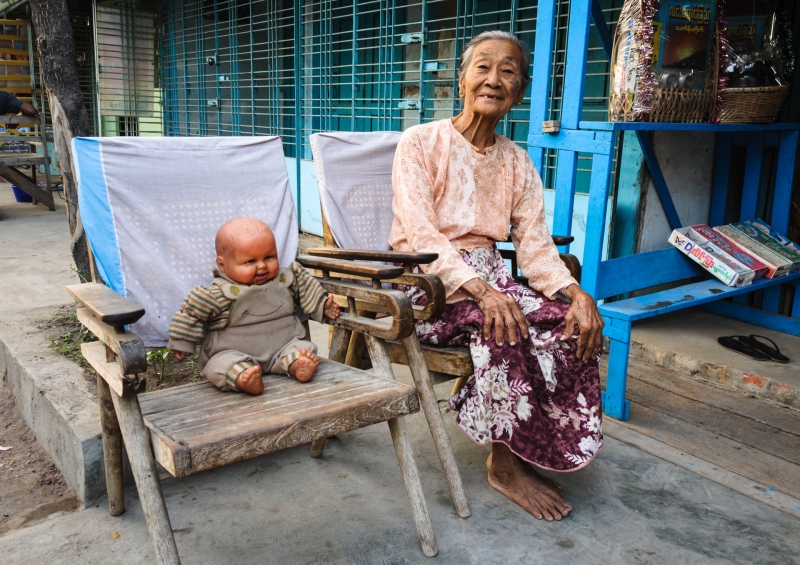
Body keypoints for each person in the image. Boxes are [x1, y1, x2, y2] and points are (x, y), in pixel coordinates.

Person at [389, 30, 605, 522]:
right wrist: (480, 290)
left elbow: (535, 247)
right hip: (429, 283)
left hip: (493, 280)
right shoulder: (420, 142)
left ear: (520, 90)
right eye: (482, 67)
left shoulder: (517, 160)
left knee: (572, 325)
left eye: (508, 71)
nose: (493, 79)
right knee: (504, 328)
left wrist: (577, 293)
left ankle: (532, 445)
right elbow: (419, 235)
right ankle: (504, 467)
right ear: (461, 80)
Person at [168, 217, 340, 395]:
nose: (262, 266)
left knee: (304, 349)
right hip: (233, 353)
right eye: (250, 261)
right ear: (222, 265)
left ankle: (296, 364)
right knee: (217, 365)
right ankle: (244, 379)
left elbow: (307, 287)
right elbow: (191, 312)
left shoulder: (286, 280)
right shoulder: (219, 293)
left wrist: (322, 304)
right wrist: (182, 341)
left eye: (269, 257)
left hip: (283, 347)